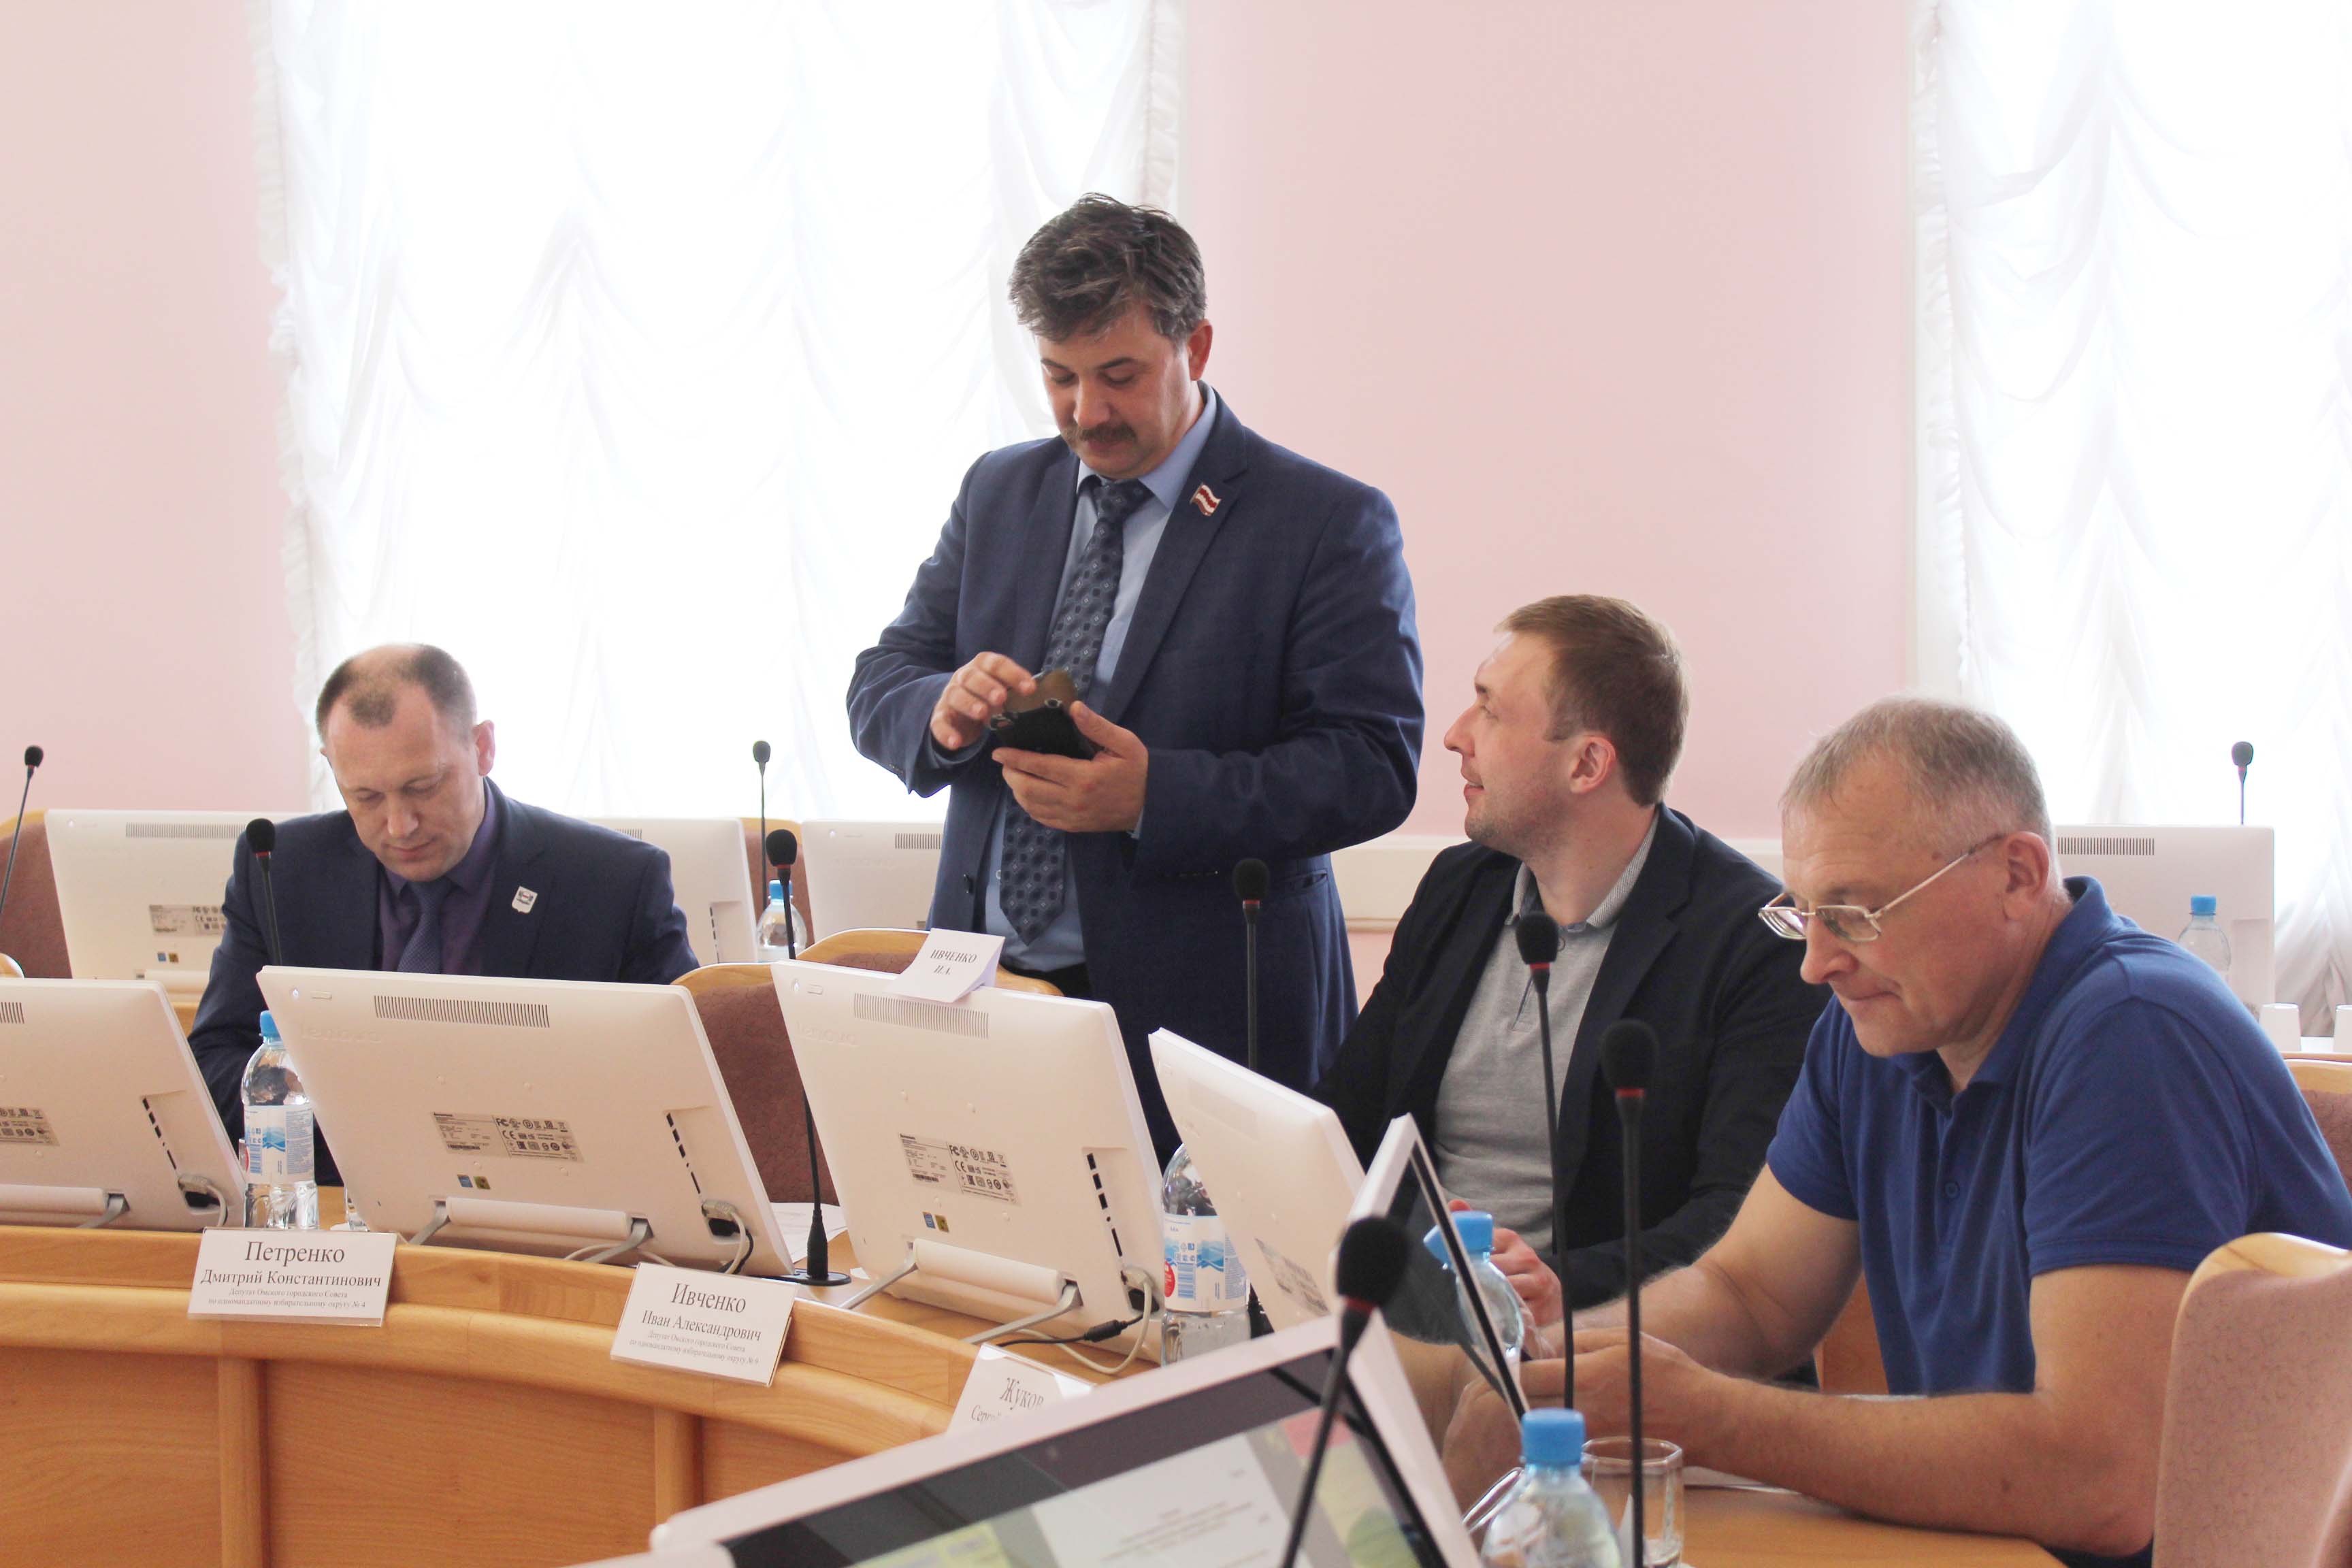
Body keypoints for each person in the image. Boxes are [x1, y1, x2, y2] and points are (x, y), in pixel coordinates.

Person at [1446, 697, 2352, 1567]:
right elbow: (1751, 1294)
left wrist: (1711, 1417)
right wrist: (1563, 1365)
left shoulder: (2132, 1032)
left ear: (2016, 875)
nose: (1816, 963)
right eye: (1805, 913)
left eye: (1856, 913)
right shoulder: (1880, 1027)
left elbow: (2102, 1478)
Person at [847, 195, 1422, 1154]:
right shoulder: (1001, 490)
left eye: (1120, 375)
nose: (1088, 412)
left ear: (1197, 347)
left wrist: (1155, 798)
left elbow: (1373, 766)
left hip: (1207, 1021)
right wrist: (938, 708)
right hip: (986, 1000)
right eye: (1059, 377)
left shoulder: (1324, 522)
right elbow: (882, 678)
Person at [1316, 596, 1820, 1324]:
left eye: (1490, 711)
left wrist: (1559, 1284)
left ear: (1587, 764)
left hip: (1596, 1337)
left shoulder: (1755, 943)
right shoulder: (1460, 887)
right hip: (1410, 1307)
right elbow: (1350, 1117)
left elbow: (1741, 1222)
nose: (1455, 736)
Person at [188, 644, 698, 1181]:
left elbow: (682, 1083)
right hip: (350, 1200)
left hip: (550, 1196)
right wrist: (349, 1112)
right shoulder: (282, 869)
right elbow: (215, 1061)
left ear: (482, 748)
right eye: (365, 797)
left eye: (423, 787)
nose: (399, 825)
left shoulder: (611, 882)